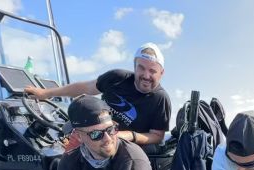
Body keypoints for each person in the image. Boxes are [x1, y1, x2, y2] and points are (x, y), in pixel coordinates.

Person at [25, 43, 170, 149]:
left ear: (161, 73)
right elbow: (84, 88)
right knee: (61, 136)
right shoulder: (117, 77)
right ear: (134, 66)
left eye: (152, 71)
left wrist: (124, 136)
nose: (146, 75)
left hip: (122, 143)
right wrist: (45, 93)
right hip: (92, 131)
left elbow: (157, 136)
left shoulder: (160, 99)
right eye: (141, 68)